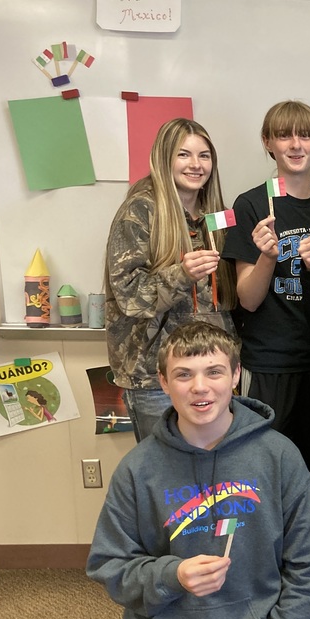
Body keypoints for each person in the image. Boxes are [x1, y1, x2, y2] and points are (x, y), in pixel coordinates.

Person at [86, 322, 310, 619]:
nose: (200, 387)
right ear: (163, 381)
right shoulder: (137, 469)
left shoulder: (279, 456)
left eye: (214, 372)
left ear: (236, 375)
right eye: (183, 374)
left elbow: (309, 563)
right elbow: (109, 565)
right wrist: (170, 576)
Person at [222, 101, 310, 609]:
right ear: (269, 144)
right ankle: (262, 574)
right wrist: (269, 253)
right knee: (260, 473)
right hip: (268, 361)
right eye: (284, 136)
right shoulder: (250, 204)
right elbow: (246, 298)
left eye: (305, 135)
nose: (296, 145)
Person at [104, 118, 236, 442]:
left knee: (211, 474)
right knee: (166, 479)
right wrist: (182, 274)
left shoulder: (219, 214)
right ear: (164, 158)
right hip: (155, 378)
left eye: (204, 156)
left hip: (212, 373)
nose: (196, 164)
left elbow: (232, 299)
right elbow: (129, 295)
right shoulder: (139, 211)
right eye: (184, 155)